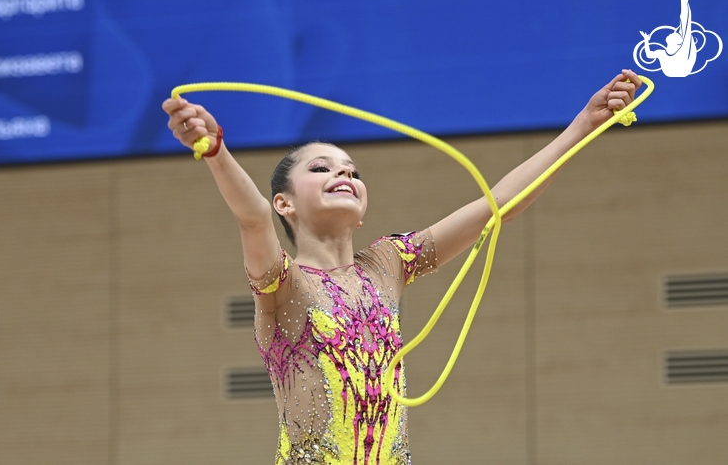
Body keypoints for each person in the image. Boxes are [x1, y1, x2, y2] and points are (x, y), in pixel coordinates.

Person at [161, 69, 642, 465]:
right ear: (283, 203)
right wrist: (215, 149)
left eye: (351, 170)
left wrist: (582, 126)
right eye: (321, 168)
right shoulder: (284, 286)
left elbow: (499, 206)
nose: (343, 173)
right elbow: (250, 215)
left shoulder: (388, 263)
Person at [640, 0, 696, 77]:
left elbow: (685, 21)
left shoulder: (683, 49)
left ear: (677, 42)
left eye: (676, 34)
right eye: (675, 33)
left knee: (685, 24)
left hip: (682, 69)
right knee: (684, 24)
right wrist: (646, 40)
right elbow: (649, 55)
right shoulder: (661, 53)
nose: (673, 32)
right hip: (672, 71)